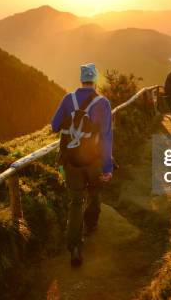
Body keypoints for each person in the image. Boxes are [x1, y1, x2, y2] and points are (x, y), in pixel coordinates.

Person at [51, 63, 113, 267]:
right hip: (93, 160)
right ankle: (92, 224)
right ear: (95, 81)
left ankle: (75, 246)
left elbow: (54, 125)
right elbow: (105, 137)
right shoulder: (103, 103)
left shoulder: (69, 99)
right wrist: (107, 167)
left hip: (71, 162)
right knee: (95, 191)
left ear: (81, 79)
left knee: (75, 203)